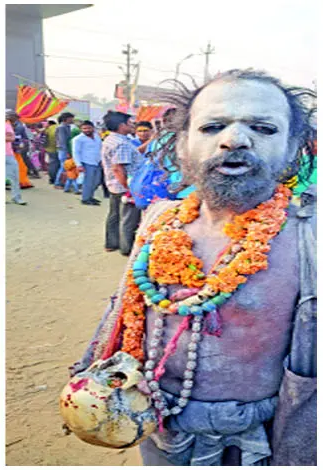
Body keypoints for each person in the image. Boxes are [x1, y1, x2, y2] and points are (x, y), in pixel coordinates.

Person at [73, 69, 316, 466]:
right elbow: (126, 312)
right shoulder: (159, 221)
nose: (235, 139)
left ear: (292, 147)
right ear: (183, 145)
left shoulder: (310, 236)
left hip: (260, 444)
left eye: (263, 128)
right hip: (159, 430)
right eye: (213, 126)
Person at [100, 110, 142, 255]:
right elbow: (118, 168)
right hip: (123, 185)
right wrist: (128, 188)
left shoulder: (113, 139)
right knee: (128, 219)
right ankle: (126, 248)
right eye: (130, 123)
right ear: (121, 125)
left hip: (114, 185)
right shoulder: (121, 143)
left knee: (115, 215)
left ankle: (111, 243)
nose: (133, 126)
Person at [72, 120, 104, 206]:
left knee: (97, 181)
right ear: (81, 129)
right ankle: (85, 199)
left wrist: (102, 160)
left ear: (93, 128)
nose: (86, 130)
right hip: (86, 162)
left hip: (97, 162)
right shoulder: (78, 139)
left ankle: (90, 197)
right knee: (88, 182)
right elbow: (76, 152)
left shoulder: (97, 136)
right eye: (84, 128)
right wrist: (78, 165)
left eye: (88, 128)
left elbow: (101, 148)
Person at [5, 111, 27, 205]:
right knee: (14, 176)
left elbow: (11, 138)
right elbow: (10, 138)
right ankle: (16, 197)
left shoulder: (10, 125)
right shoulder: (6, 125)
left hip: (9, 153)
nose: (16, 119)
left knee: (14, 176)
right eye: (15, 117)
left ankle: (16, 197)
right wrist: (10, 137)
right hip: (6, 154)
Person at [53, 112, 74, 188]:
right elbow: (62, 141)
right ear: (66, 119)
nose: (72, 120)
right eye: (71, 118)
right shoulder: (62, 127)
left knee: (65, 167)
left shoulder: (66, 126)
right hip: (63, 150)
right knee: (63, 167)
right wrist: (67, 152)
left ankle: (63, 182)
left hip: (64, 149)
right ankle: (57, 183)